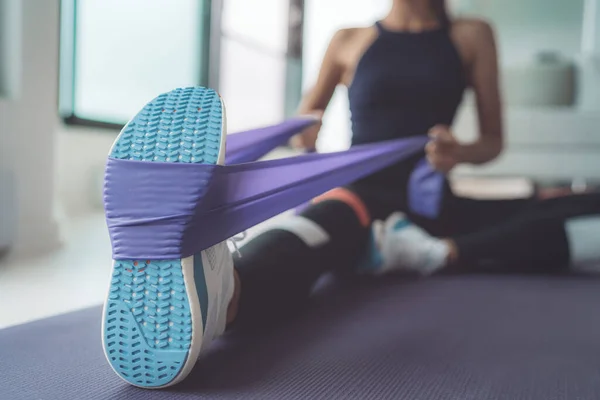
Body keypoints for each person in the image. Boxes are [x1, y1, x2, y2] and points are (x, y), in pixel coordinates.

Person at [102, 0, 600, 388]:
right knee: (324, 228)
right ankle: (225, 295)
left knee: (566, 204)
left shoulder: (472, 35)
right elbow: (306, 121)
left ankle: (429, 251)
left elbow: (493, 141)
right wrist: (305, 133)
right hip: (362, 187)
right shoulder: (349, 40)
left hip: (432, 200)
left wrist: (459, 151)